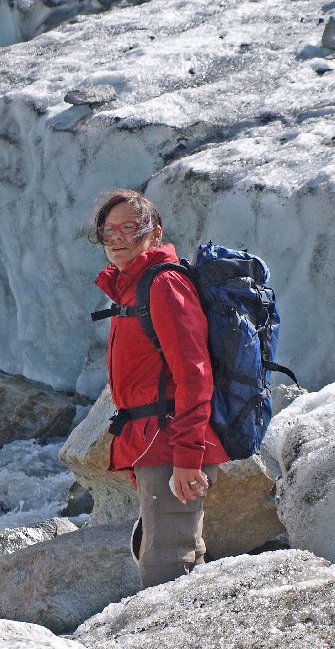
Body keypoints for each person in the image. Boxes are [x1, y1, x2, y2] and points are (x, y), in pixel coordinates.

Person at [90, 188, 229, 589]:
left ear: (155, 232)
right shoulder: (130, 286)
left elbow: (194, 373)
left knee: (166, 566)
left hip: (171, 443)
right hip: (154, 442)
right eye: (108, 230)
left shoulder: (163, 284)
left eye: (129, 228)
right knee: (178, 556)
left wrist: (188, 456)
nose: (116, 238)